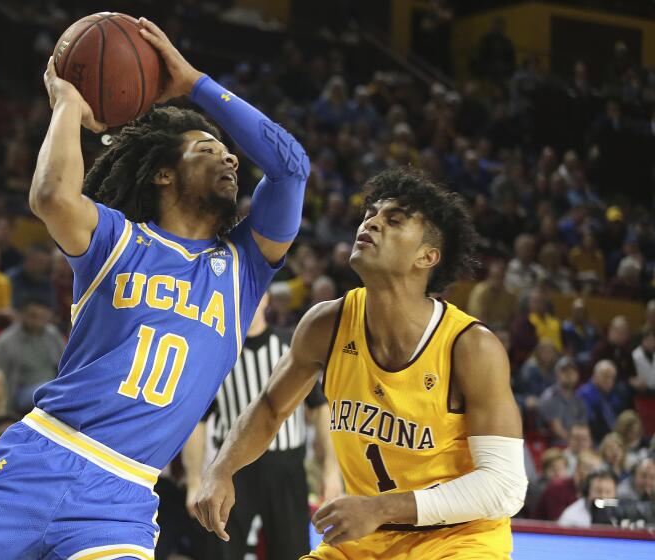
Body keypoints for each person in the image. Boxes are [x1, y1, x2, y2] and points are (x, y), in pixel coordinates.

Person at [0, 18, 308, 560]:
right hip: (39, 457)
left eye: (229, 151)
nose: (231, 156)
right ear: (163, 174)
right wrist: (69, 104)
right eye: (207, 149)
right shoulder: (117, 239)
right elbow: (51, 195)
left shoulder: (245, 265)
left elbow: (291, 167)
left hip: (121, 498)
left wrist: (194, 83)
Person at [196, 168, 527, 558]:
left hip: (458, 539)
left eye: (394, 220)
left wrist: (383, 507)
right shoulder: (327, 324)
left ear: (427, 256)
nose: (371, 222)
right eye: (370, 213)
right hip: (367, 537)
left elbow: (505, 487)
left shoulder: (470, 346)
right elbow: (270, 408)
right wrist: (221, 469)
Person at [181, 293, 342, 560]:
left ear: (266, 299)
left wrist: (331, 470)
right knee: (221, 550)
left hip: (286, 466)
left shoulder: (289, 345)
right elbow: (197, 421)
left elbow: (320, 406)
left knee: (291, 550)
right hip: (232, 467)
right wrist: (195, 480)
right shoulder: (217, 352)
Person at [0, 298, 65, 413]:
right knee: (49, 391)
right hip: (21, 392)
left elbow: (67, 364)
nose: (38, 320)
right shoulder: (4, 341)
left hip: (54, 386)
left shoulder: (53, 335)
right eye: (33, 315)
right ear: (22, 315)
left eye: (42, 316)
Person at [537, 356, 588, 446]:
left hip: (574, 443)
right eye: (564, 371)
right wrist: (575, 444)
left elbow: (583, 427)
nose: (569, 374)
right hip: (554, 444)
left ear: (577, 375)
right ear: (557, 374)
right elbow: (556, 430)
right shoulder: (551, 396)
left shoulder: (579, 399)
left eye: (572, 370)